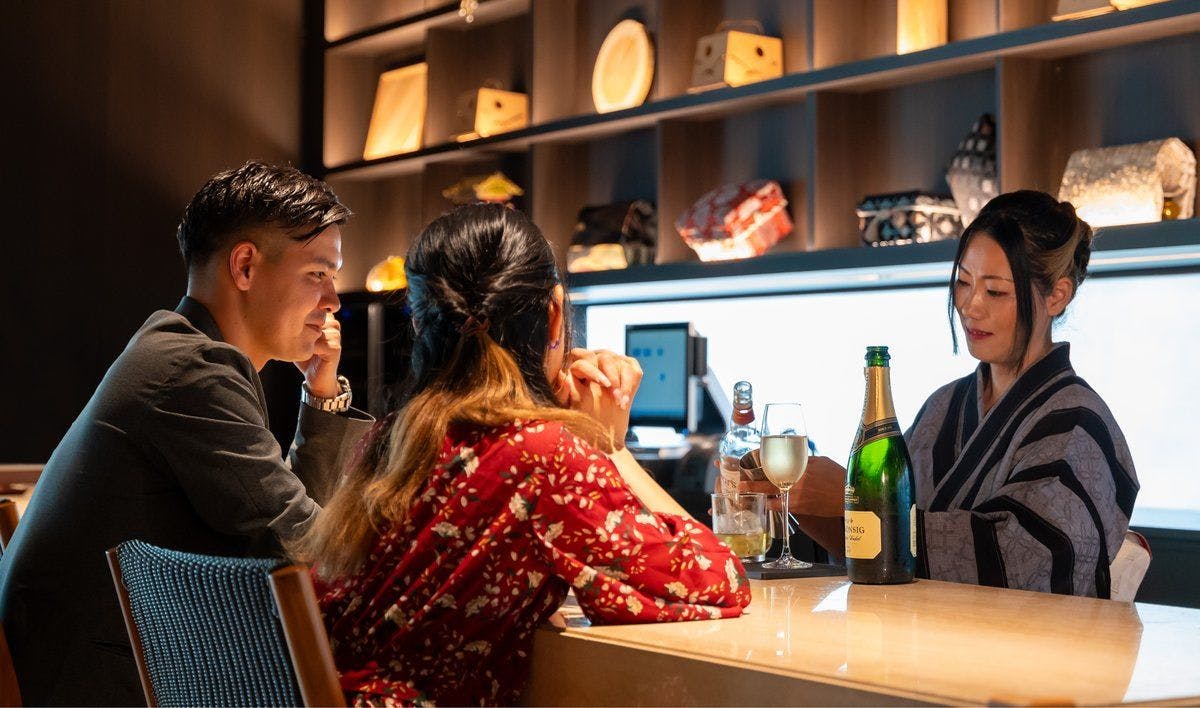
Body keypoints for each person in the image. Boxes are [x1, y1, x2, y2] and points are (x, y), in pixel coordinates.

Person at [303, 204, 750, 706]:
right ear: (554, 312)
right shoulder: (542, 456)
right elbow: (719, 579)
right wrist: (609, 447)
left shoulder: (390, 436)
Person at [0, 162, 374, 705]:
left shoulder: (178, 351)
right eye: (318, 273)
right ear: (244, 266)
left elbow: (296, 548)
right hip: (96, 687)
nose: (334, 300)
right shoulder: (192, 373)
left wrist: (321, 394)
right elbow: (307, 550)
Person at [755, 190, 1138, 598]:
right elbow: (882, 551)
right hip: (916, 628)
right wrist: (802, 501)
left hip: (1023, 638)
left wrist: (848, 497)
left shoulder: (1078, 423)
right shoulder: (944, 407)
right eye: (963, 283)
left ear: (1057, 295)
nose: (970, 306)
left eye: (995, 292)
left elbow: (1023, 563)